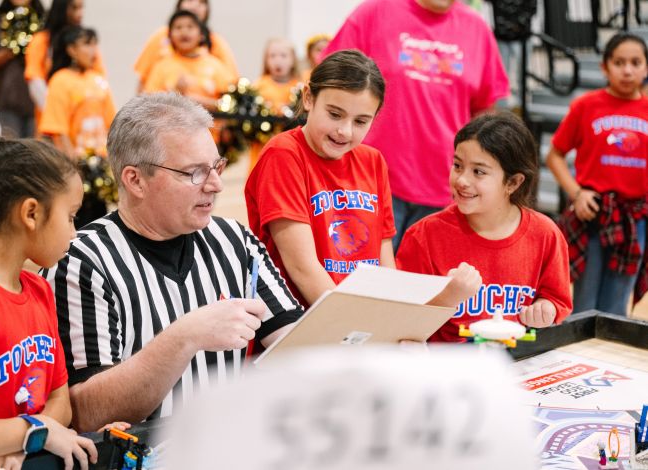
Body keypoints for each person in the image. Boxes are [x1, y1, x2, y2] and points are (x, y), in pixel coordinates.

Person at [42, 92, 303, 433]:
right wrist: (185, 337)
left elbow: (298, 343)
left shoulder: (233, 241)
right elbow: (86, 412)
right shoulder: (81, 260)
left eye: (216, 166)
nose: (216, 184)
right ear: (135, 180)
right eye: (194, 173)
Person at [245, 49, 480, 309]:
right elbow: (302, 268)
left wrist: (390, 320)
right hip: (304, 319)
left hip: (359, 323)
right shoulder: (284, 154)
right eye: (334, 114)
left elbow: (384, 262)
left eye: (360, 121)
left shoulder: (373, 160)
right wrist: (350, 326)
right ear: (309, 98)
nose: (344, 131)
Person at [0, 134, 97, 469]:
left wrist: (25, 439)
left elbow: (60, 401)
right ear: (30, 213)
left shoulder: (39, 289)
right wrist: (33, 432)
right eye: (70, 217)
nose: (74, 233)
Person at [325, 0, 509, 252]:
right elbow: (331, 79)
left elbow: (485, 112)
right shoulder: (375, 11)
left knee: (423, 289)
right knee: (360, 284)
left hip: (445, 193)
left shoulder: (477, 28)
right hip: (369, 186)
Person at [397, 112, 572, 342]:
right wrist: (448, 298)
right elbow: (402, 321)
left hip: (519, 365)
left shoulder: (545, 234)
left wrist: (545, 309)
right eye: (458, 165)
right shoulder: (424, 235)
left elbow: (558, 301)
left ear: (513, 182)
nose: (461, 180)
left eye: (478, 171)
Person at [546, 32, 648, 316]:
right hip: (591, 213)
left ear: (646, 67)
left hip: (634, 220)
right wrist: (576, 194)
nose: (627, 70)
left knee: (617, 304)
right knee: (584, 303)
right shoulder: (585, 106)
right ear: (605, 67)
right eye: (619, 62)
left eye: (635, 62)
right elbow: (553, 155)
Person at [39, 25, 115, 160]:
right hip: (76, 160)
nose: (93, 51)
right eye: (87, 44)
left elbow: (112, 125)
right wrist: (74, 167)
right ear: (72, 50)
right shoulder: (60, 80)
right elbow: (59, 130)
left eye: (94, 45)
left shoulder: (98, 79)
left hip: (102, 161)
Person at [134, 0, 238, 92]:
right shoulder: (161, 39)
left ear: (201, 36)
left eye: (201, 2)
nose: (195, 5)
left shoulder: (216, 44)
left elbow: (231, 86)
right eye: (190, 0)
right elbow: (143, 80)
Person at [143, 10, 232, 112]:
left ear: (202, 35)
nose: (184, 32)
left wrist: (196, 101)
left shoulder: (215, 65)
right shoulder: (161, 66)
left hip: (210, 127)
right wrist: (175, 94)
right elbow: (148, 104)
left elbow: (231, 103)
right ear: (170, 36)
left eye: (190, 27)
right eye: (178, 27)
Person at [24, 0, 105, 112]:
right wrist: (56, 112)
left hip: (84, 115)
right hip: (51, 114)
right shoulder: (41, 41)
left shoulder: (86, 43)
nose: (80, 14)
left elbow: (100, 80)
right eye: (74, 8)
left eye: (81, 8)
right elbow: (35, 80)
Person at [0, 0, 45, 138]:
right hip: (7, 100)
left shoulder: (43, 19)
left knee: (35, 154)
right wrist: (12, 48)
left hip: (38, 101)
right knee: (10, 151)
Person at [249, 37, 301, 170]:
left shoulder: (300, 87)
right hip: (263, 147)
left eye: (283, 56)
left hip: (292, 149)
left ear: (293, 60)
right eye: (272, 56)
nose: (278, 60)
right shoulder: (259, 85)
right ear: (266, 61)